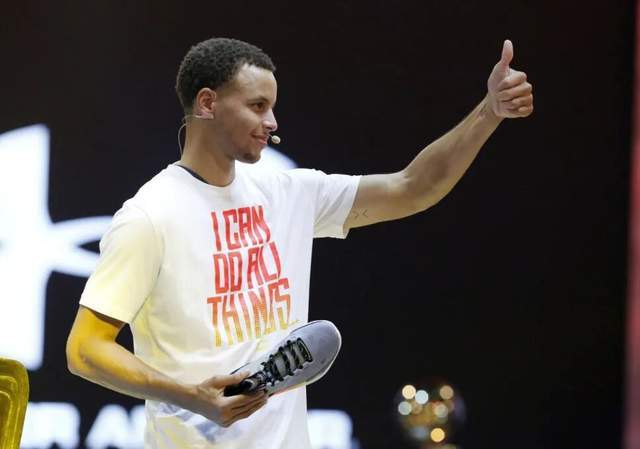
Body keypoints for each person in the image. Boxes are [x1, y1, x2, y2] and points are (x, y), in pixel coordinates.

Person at [66, 37, 533, 449]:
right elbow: (85, 349)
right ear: (207, 103)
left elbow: (413, 187)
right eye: (257, 106)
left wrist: (489, 112)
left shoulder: (288, 194)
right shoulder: (150, 216)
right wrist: (192, 396)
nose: (272, 121)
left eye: (272, 107)